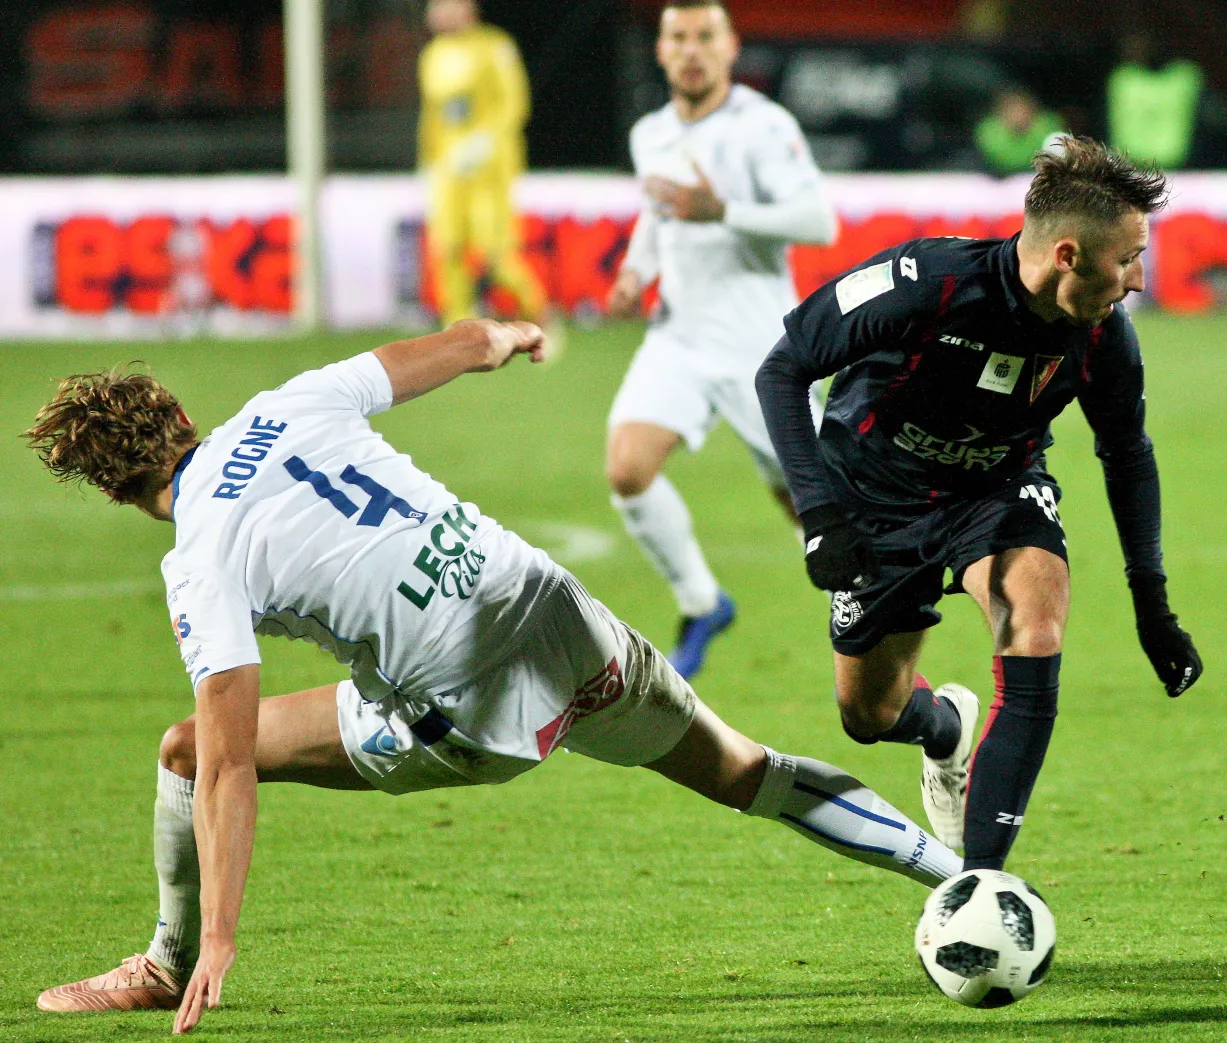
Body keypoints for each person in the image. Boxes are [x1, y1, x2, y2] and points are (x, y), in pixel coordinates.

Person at [26, 319, 962, 1032]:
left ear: (114, 491)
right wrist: (513, 335)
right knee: (745, 771)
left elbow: (228, 762)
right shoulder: (291, 401)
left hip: (465, 712)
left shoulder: (199, 560)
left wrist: (222, 936)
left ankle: (165, 962)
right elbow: (468, 342)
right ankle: (961, 878)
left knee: (186, 750)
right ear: (181, 416)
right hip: (556, 615)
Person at [755, 137, 1203, 873]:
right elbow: (783, 370)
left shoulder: (1101, 337)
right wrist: (820, 517)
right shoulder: (923, 282)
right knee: (868, 714)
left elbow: (1127, 452)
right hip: (875, 497)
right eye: (1127, 259)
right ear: (1067, 255)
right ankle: (943, 730)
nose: (1139, 280)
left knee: (1036, 622)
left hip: (995, 490)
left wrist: (1152, 603)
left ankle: (982, 882)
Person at [604, 0, 838, 679]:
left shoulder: (763, 126)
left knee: (816, 509)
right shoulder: (651, 133)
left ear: (730, 47)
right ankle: (702, 603)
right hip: (678, 337)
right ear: (660, 50)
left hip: (760, 348)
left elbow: (818, 222)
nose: (691, 50)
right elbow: (658, 215)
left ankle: (871, 626)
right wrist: (635, 272)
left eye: (705, 36)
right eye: (678, 37)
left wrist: (723, 210)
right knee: (628, 469)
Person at [418, 0, 548, 326]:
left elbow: (515, 102)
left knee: (495, 255)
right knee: (448, 249)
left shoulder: (495, 46)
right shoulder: (431, 55)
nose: (437, 12)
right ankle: (458, 328)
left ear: (468, 7)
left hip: (489, 168)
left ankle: (538, 316)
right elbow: (432, 114)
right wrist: (427, 160)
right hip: (449, 167)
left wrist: (485, 142)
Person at [1106, 34, 1203, 171]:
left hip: (1178, 167)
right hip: (1129, 165)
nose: (1137, 49)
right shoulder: (1122, 79)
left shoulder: (1185, 77)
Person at [975, 87, 1066, 177]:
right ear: (1001, 112)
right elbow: (1003, 161)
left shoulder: (1049, 127)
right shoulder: (988, 131)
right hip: (998, 178)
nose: (1018, 114)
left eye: (1022, 109)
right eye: (1011, 110)